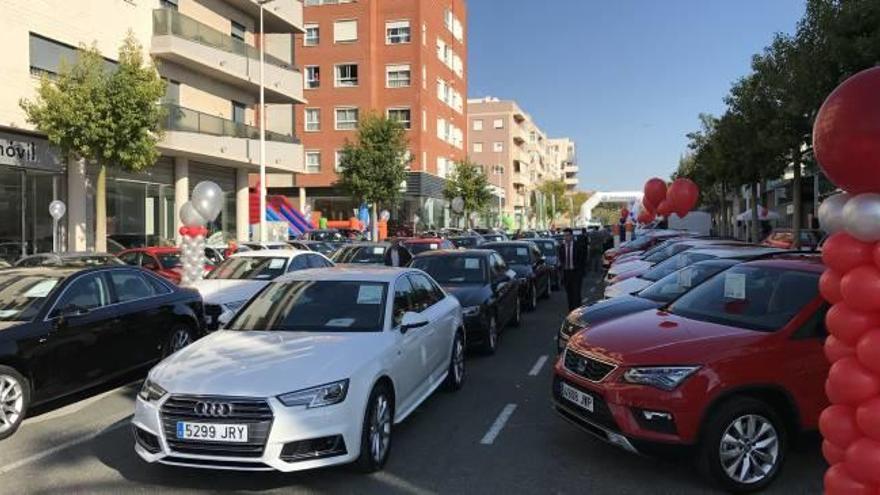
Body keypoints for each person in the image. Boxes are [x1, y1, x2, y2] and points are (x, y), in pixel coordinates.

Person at [558, 228, 587, 312]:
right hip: (567, 273)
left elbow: (582, 259)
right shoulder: (562, 247)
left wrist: (582, 271)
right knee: (569, 293)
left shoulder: (578, 246)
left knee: (576, 293)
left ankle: (578, 311)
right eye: (564, 236)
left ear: (571, 236)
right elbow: (561, 259)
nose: (566, 238)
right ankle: (571, 311)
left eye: (567, 235)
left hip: (576, 272)